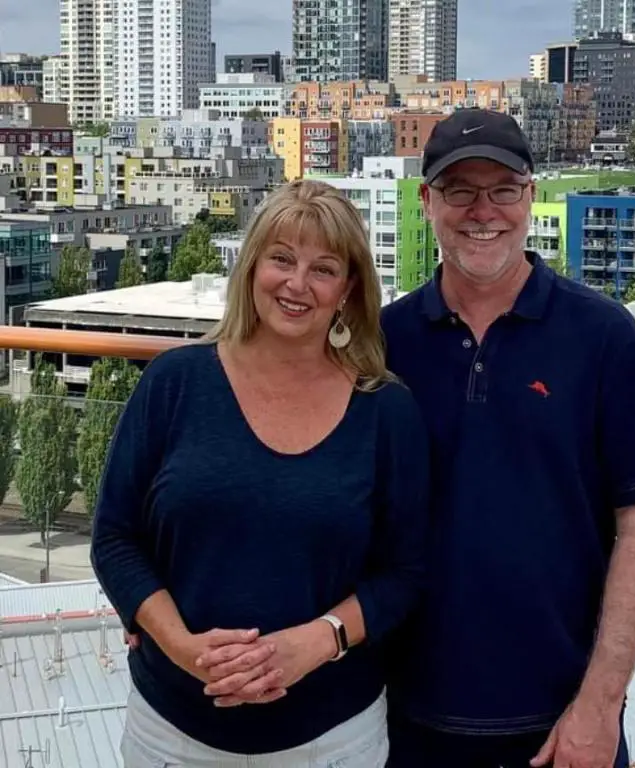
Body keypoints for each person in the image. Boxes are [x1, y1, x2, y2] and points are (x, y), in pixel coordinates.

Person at [90, 180, 430, 768]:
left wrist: (318, 641)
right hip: (171, 735)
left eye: (323, 269)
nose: (297, 285)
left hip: (332, 740)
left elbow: (406, 572)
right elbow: (116, 538)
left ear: (348, 290)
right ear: (251, 268)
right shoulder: (174, 383)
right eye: (281, 259)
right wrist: (183, 648)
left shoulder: (386, 411)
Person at [381, 108, 635, 768]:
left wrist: (600, 708)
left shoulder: (603, 336)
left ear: (531, 196)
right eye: (459, 190)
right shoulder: (384, 341)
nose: (482, 210)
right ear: (427, 201)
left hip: (563, 726)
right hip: (405, 719)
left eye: (503, 189)